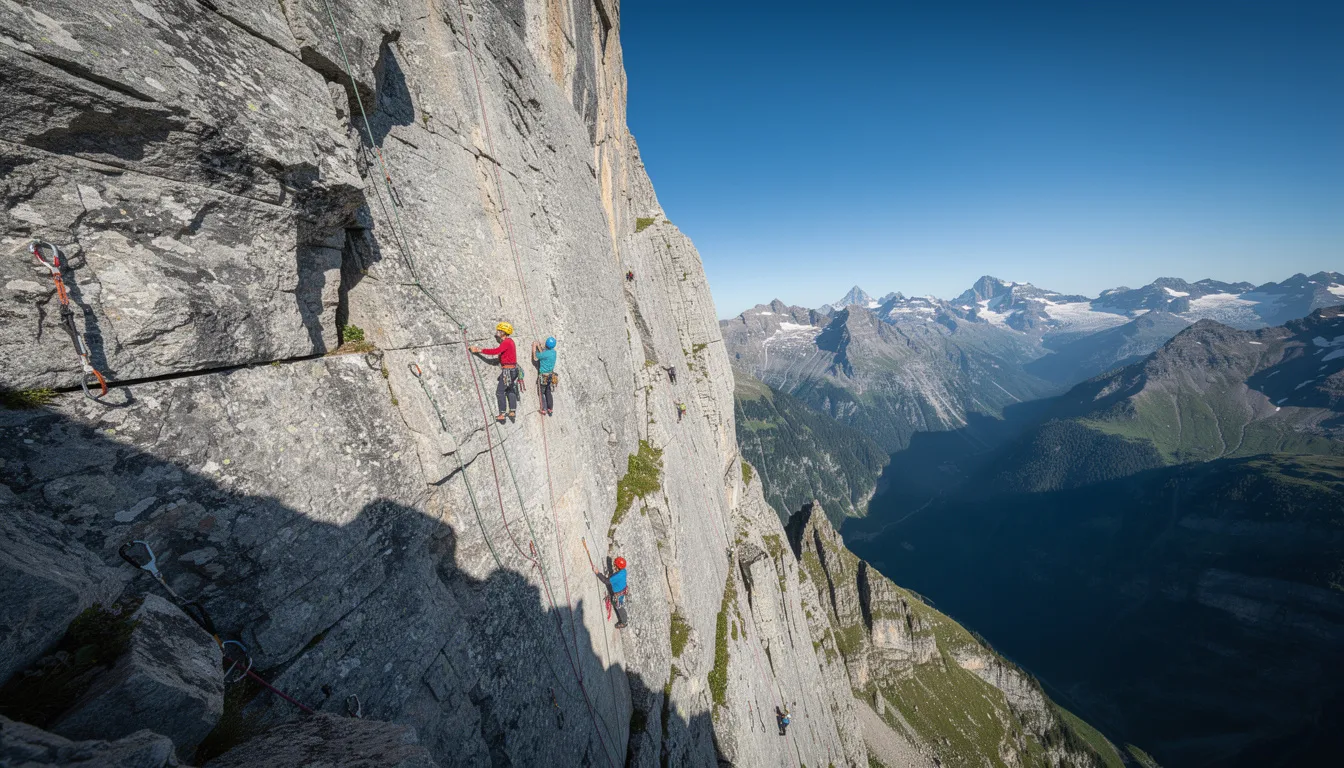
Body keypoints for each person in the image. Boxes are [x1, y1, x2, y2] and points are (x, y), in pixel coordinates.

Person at [470, 322, 520, 423]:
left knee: (500, 391)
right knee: (510, 389)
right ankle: (512, 410)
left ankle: (502, 414)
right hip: (513, 370)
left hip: (507, 371)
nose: (497, 332)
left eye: (499, 331)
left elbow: (495, 351)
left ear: (503, 333)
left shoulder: (506, 342)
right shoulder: (510, 342)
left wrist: (479, 350)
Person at [594, 556, 629, 629]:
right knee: (620, 603)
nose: (613, 565)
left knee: (619, 607)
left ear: (617, 566)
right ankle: (624, 620)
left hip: (618, 594)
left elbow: (606, 581)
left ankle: (624, 622)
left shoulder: (617, 576)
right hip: (622, 591)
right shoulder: (624, 571)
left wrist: (597, 573)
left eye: (615, 565)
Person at [533, 337, 558, 416]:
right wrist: (540, 347)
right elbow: (544, 354)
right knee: (548, 391)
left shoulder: (545, 353)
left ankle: (543, 409)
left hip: (544, 376)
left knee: (541, 392)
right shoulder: (554, 352)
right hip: (550, 375)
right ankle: (550, 408)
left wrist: (534, 346)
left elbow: (536, 357)